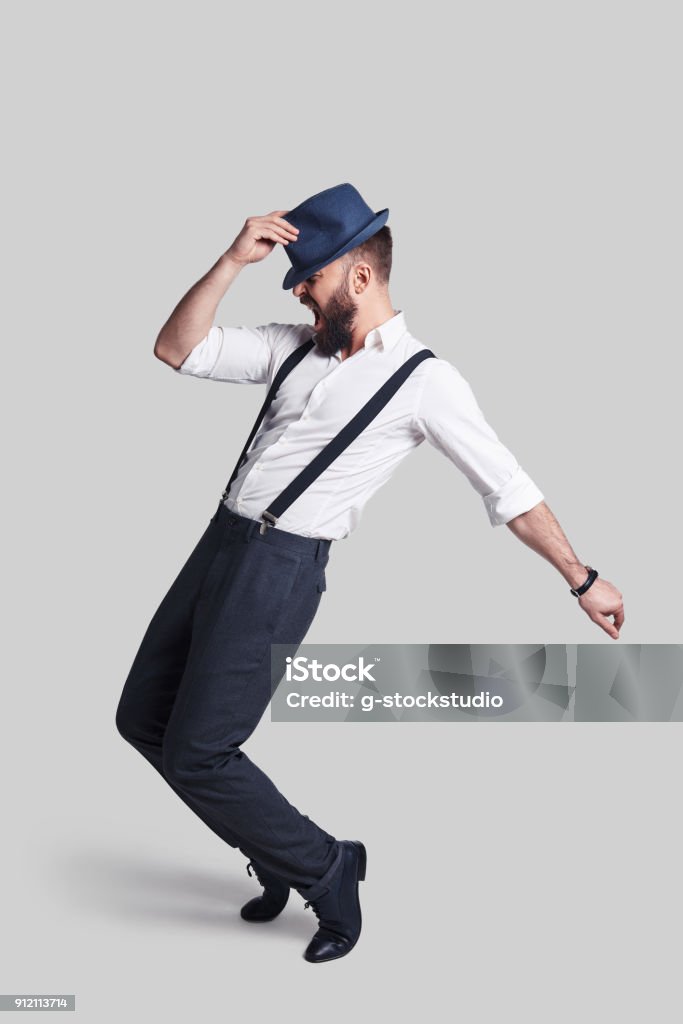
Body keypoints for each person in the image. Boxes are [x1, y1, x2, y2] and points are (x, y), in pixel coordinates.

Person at [115, 183, 625, 965]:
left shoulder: (425, 381)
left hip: (280, 571)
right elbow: (176, 350)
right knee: (142, 718)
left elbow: (510, 491)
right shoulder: (297, 345)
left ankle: (326, 868)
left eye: (309, 277)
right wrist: (226, 261)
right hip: (218, 545)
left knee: (200, 752)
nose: (295, 289)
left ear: (359, 276)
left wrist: (582, 579)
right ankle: (283, 853)